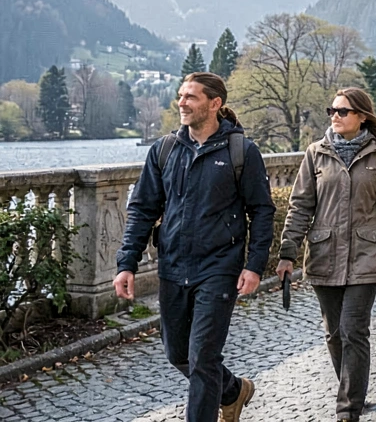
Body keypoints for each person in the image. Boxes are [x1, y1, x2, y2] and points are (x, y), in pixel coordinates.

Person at [114, 72, 274, 422]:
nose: (182, 103)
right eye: (181, 95)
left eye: (191, 97)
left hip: (220, 268)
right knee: (178, 354)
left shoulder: (241, 151)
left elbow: (261, 211)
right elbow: (142, 209)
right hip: (173, 266)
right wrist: (126, 263)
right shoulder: (165, 149)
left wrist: (254, 264)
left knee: (202, 357)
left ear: (214, 104)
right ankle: (233, 391)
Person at [277, 88, 376, 422]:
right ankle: (353, 390)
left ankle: (348, 410)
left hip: (368, 252)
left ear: (362, 116)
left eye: (342, 111)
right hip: (324, 252)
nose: (335, 116)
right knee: (334, 334)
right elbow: (300, 206)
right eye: (332, 110)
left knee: (353, 329)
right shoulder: (315, 153)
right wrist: (287, 253)